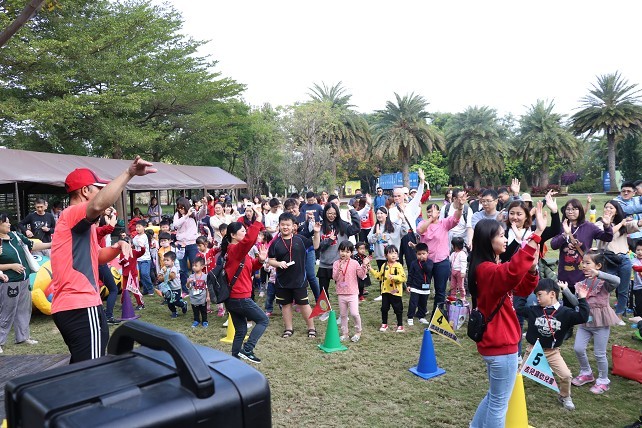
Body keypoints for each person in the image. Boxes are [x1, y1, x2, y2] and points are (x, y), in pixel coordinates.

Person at [50, 157, 156, 363]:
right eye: (98, 188)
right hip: (80, 304)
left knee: (84, 366)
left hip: (76, 306)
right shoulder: (73, 213)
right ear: (85, 191)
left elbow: (96, 256)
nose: (102, 192)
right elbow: (100, 203)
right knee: (92, 368)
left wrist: (117, 247)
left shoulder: (81, 225)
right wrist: (129, 173)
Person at [468, 202, 545, 428]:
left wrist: (532, 269)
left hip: (496, 343)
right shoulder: (487, 269)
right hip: (502, 345)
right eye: (501, 236)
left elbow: (521, 288)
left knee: (495, 397)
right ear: (488, 241)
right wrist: (537, 234)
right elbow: (512, 272)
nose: (505, 239)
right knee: (499, 403)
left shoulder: (487, 266)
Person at [515, 278, 590, 411]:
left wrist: (582, 299)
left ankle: (565, 396)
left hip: (552, 352)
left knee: (566, 375)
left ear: (552, 294)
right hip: (533, 350)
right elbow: (518, 308)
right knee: (518, 375)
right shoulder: (534, 310)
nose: (537, 298)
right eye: (536, 295)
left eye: (540, 294)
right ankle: (510, 394)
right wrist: (525, 291)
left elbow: (583, 317)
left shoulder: (565, 312)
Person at [221, 206, 270, 363]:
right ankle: (248, 349)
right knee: (263, 320)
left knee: (241, 329)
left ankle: (235, 361)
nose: (245, 233)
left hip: (233, 299)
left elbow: (250, 266)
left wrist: (260, 260)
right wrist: (258, 221)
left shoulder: (236, 251)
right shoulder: (235, 249)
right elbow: (249, 240)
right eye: (242, 231)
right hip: (239, 298)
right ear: (233, 235)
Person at [0, 213, 52, 354]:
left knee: (24, 309)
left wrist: (52, 244)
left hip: (24, 279)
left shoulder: (15, 236)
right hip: (9, 282)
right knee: (7, 312)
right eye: (6, 222)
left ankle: (23, 337)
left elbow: (32, 245)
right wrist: (11, 266)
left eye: (9, 222)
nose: (9, 224)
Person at [571, 249, 621, 394]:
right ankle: (586, 373)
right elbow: (576, 302)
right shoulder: (581, 284)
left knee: (600, 353)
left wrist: (599, 274)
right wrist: (566, 290)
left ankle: (603, 380)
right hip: (585, 322)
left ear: (598, 266)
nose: (584, 266)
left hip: (601, 323)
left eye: (588, 263)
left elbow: (617, 281)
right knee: (578, 348)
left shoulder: (604, 283)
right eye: (583, 263)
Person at [550, 199, 613, 308]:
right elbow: (553, 245)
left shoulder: (589, 227)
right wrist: (564, 234)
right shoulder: (561, 226)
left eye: (574, 209)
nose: (570, 212)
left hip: (584, 273)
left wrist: (607, 226)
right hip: (566, 273)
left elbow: (607, 237)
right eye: (568, 209)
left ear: (580, 211)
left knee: (584, 304)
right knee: (568, 304)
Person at [268, 212, 320, 338]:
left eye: (288, 225)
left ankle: (311, 328)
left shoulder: (300, 239)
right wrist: (278, 263)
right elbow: (270, 260)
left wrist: (316, 232)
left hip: (299, 280)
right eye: (283, 225)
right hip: (282, 281)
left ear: (293, 226)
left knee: (304, 304)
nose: (285, 227)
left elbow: (316, 245)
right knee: (286, 305)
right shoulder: (275, 243)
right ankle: (288, 329)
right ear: (279, 225)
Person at [417, 190, 467, 320]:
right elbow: (421, 230)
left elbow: (455, 219)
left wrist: (460, 207)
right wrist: (431, 219)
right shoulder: (423, 223)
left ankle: (437, 316)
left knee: (440, 290)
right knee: (423, 288)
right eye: (428, 212)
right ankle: (421, 312)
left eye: (434, 211)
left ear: (439, 213)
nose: (431, 213)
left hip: (441, 262)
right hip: (426, 262)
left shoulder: (444, 223)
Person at [595, 200, 640, 324]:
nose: (608, 209)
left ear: (616, 211)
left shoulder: (624, 224)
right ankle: (602, 312)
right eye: (606, 207)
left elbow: (635, 224)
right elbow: (608, 234)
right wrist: (620, 224)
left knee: (623, 289)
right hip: (608, 259)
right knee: (604, 287)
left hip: (624, 258)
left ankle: (619, 315)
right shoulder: (599, 223)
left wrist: (629, 222)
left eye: (611, 208)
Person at [315, 202, 360, 307]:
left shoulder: (343, 225)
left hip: (341, 264)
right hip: (325, 264)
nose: (332, 216)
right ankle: (325, 310)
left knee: (344, 289)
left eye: (334, 213)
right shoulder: (320, 226)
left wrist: (353, 212)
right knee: (323, 290)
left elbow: (356, 228)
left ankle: (345, 311)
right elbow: (318, 247)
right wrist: (329, 241)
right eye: (329, 213)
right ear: (325, 213)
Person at [332, 240, 369, 342]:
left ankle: (358, 331)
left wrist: (364, 266)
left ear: (352, 253)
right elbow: (334, 277)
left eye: (347, 252)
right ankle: (345, 333)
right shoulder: (336, 263)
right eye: (342, 251)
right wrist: (339, 269)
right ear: (339, 251)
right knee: (343, 315)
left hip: (352, 293)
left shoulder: (354, 263)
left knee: (354, 313)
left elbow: (361, 275)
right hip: (341, 293)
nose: (344, 253)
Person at [388, 169, 425, 268]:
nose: (397, 198)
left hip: (409, 235)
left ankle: (412, 277)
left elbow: (419, 195)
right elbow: (393, 225)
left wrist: (422, 181)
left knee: (412, 260)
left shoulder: (410, 206)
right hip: (398, 236)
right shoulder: (392, 211)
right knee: (397, 259)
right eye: (395, 196)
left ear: (404, 196)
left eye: (398, 196)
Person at [370, 245, 407, 333]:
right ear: (386, 255)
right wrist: (370, 269)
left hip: (396, 292)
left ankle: (400, 325)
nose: (393, 255)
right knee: (384, 308)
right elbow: (379, 276)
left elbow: (403, 278)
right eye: (391, 253)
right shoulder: (384, 265)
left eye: (395, 253)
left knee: (398, 309)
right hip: (385, 291)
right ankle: (384, 323)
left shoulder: (399, 266)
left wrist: (394, 277)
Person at [173, 197, 199, 296]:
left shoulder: (193, 214)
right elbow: (176, 225)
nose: (180, 209)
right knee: (183, 269)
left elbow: (202, 214)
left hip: (192, 243)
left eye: (182, 207)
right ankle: (185, 290)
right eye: (178, 208)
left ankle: (196, 287)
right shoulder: (177, 215)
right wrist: (186, 215)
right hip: (181, 244)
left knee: (195, 266)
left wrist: (204, 206)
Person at [406, 243, 433, 325]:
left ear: (427, 253)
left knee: (423, 303)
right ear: (416, 254)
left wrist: (424, 262)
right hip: (415, 287)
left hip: (426, 287)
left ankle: (421, 316)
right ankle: (410, 317)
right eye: (419, 254)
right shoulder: (414, 263)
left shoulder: (430, 262)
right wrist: (408, 285)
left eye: (423, 254)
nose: (421, 256)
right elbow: (410, 274)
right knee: (413, 303)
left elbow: (428, 270)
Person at [157, 251, 188, 318]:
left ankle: (183, 304)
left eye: (167, 260)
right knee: (169, 302)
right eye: (164, 260)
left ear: (173, 261)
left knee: (175, 301)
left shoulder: (174, 268)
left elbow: (172, 276)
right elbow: (159, 277)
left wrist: (165, 275)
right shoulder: (163, 268)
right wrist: (162, 277)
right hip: (168, 289)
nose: (165, 262)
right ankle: (174, 312)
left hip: (176, 288)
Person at [118, 239, 146, 311]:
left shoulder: (134, 252)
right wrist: (125, 258)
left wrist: (142, 247)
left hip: (133, 275)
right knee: (124, 291)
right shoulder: (122, 253)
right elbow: (120, 262)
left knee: (135, 290)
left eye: (128, 244)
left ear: (131, 245)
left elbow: (142, 252)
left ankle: (140, 304)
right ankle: (124, 304)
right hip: (125, 275)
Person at [132, 219, 154, 296]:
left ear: (144, 227)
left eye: (139, 226)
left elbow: (139, 244)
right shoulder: (136, 236)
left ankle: (150, 289)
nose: (137, 228)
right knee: (141, 275)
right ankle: (145, 289)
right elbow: (134, 242)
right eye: (136, 227)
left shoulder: (144, 236)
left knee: (145, 274)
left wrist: (136, 242)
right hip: (138, 259)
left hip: (145, 259)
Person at [187, 257, 209, 328]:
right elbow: (188, 287)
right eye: (193, 265)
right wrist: (188, 282)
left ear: (202, 267)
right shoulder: (191, 276)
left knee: (203, 310)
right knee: (195, 310)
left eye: (196, 265)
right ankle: (196, 320)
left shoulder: (205, 277)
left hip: (202, 297)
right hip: (194, 298)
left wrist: (208, 296)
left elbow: (207, 287)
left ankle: (204, 321)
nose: (193, 267)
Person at [448, 237, 467, 301]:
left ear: (456, 246)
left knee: (461, 285)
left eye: (453, 245)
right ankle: (453, 296)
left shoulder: (462, 254)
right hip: (453, 271)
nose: (452, 247)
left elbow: (463, 263)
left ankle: (463, 296)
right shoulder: (453, 253)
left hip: (459, 272)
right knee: (453, 285)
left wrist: (463, 272)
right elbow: (450, 260)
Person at [632, 240, 642, 318]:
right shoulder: (633, 261)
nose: (640, 252)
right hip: (638, 287)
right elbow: (636, 268)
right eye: (638, 250)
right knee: (639, 304)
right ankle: (637, 318)